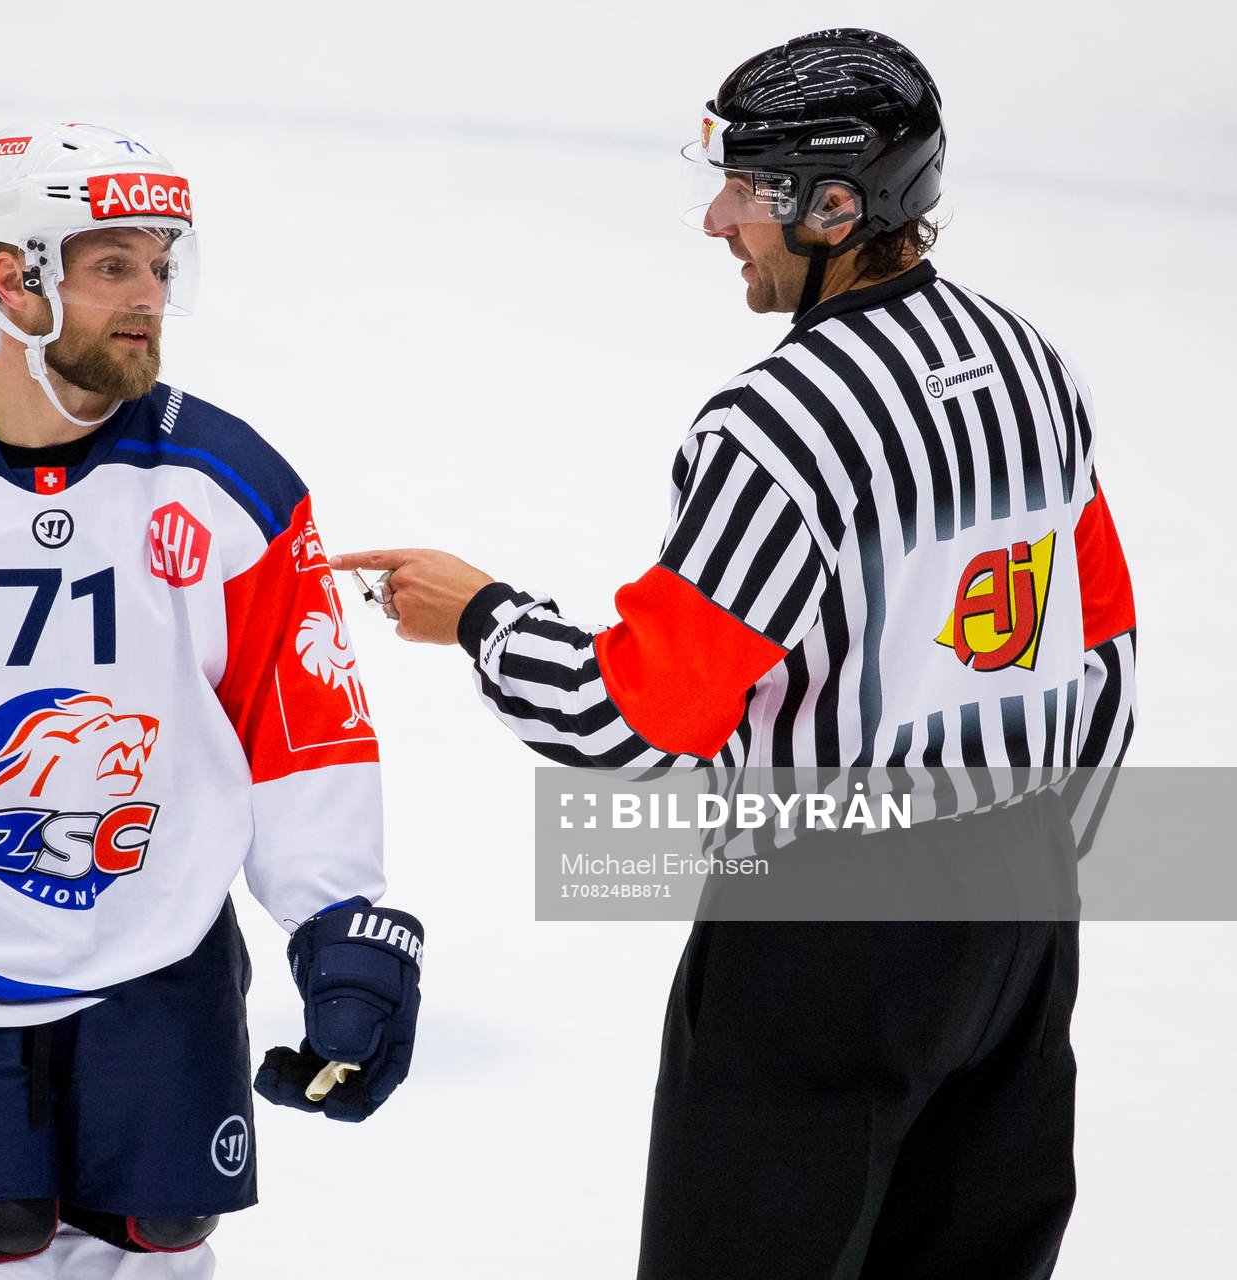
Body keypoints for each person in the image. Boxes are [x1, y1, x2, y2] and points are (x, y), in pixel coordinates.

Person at [334, 29, 1136, 1280]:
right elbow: (1106, 646)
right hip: (1024, 917)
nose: (719, 220)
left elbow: (637, 716)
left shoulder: (784, 424)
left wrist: (483, 615)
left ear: (835, 207)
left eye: (749, 191)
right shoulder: (1032, 363)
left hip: (830, 929)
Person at [0, 122, 425, 1279]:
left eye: (160, 264)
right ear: (13, 279)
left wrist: (338, 924)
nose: (149, 294)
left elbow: (301, 728)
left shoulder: (232, 486)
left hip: (160, 976)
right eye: (113, 265)